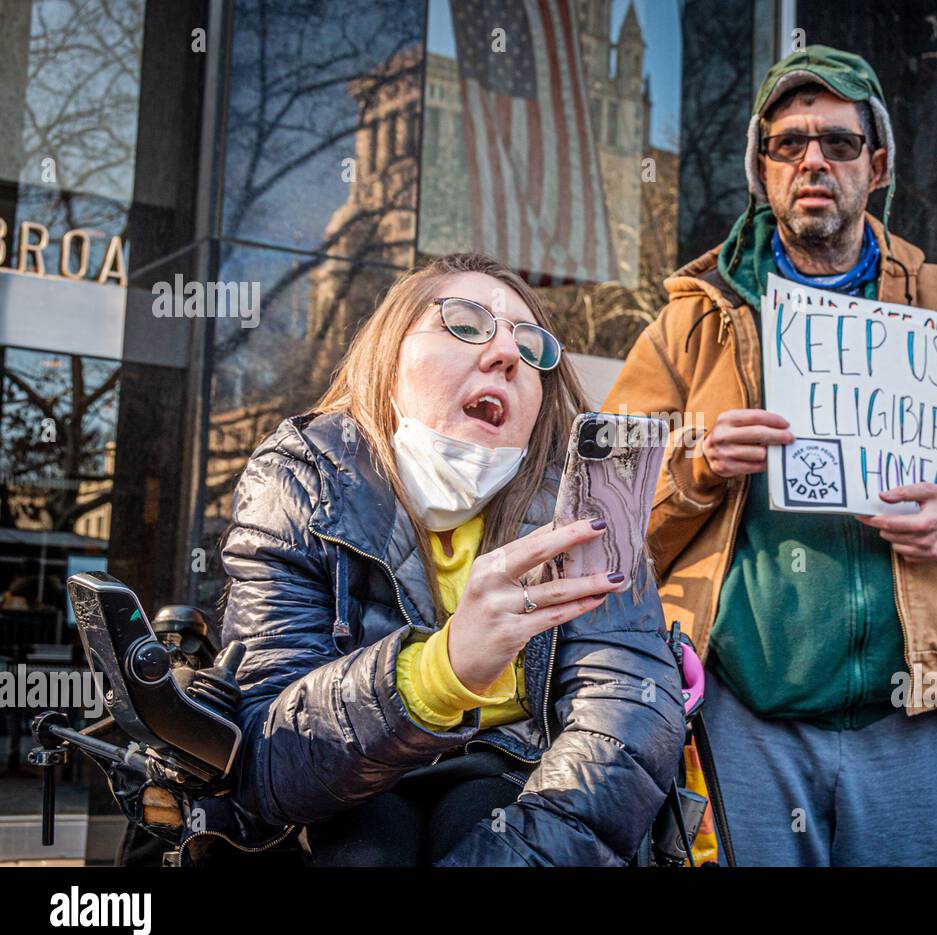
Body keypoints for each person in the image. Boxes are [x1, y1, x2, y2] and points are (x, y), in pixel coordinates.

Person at [602, 45, 937, 866]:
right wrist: (696, 465)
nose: (813, 161)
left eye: (838, 141)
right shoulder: (695, 321)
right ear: (762, 168)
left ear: (880, 163)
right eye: (789, 144)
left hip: (910, 715)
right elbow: (604, 509)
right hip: (743, 711)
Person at [191, 252, 686, 866]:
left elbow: (625, 723)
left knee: (480, 809)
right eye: (466, 324)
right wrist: (443, 669)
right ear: (390, 352)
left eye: (532, 347)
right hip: (352, 792)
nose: (507, 355)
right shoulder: (296, 482)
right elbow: (274, 762)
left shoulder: (589, 506)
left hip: (522, 782)